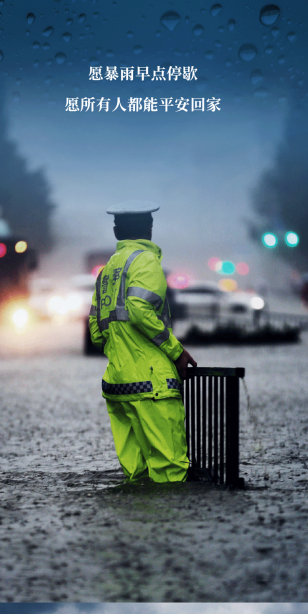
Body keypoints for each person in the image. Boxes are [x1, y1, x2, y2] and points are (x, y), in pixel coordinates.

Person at [89, 206, 197, 483]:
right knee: (171, 473)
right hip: (153, 384)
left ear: (116, 232)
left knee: (136, 477)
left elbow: (96, 331)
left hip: (117, 385)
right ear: (150, 229)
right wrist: (176, 351)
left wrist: (121, 352)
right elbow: (138, 309)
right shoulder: (145, 260)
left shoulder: (108, 270)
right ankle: (168, 527)